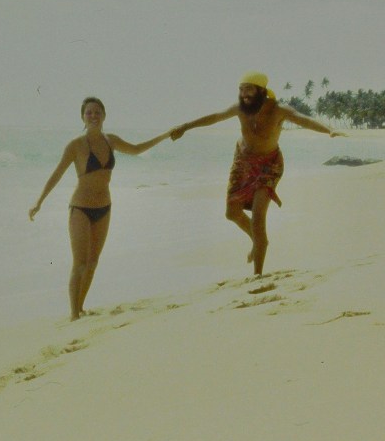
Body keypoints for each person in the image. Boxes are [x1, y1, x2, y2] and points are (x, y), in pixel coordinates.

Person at [169, 72, 344, 277]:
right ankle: (257, 240)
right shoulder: (239, 108)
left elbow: (303, 119)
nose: (244, 94)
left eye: (249, 89)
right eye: (241, 89)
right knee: (232, 213)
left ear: (261, 91)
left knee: (258, 219)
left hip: (269, 165)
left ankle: (257, 275)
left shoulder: (278, 110)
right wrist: (185, 127)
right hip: (243, 162)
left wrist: (329, 129)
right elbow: (215, 117)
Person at [30, 97, 169, 321]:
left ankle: (81, 307)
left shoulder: (111, 141)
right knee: (80, 264)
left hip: (104, 207)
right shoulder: (75, 145)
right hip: (80, 208)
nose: (93, 116)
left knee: (93, 263)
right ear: (82, 117)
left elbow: (136, 149)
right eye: (89, 112)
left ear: (104, 115)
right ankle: (73, 315)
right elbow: (57, 173)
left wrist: (165, 135)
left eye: (97, 112)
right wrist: (39, 201)